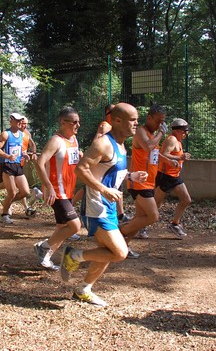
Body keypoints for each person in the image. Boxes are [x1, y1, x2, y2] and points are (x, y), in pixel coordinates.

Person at [60, 103, 147, 307]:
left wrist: (131, 176)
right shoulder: (103, 144)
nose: (136, 123)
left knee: (106, 253)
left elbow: (108, 171)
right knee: (119, 252)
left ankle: (83, 289)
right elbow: (81, 170)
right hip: (96, 207)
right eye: (132, 119)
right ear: (117, 121)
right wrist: (104, 190)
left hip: (106, 207)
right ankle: (73, 255)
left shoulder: (121, 144)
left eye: (137, 119)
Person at [33, 107, 82, 271]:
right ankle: (43, 246)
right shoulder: (56, 140)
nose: (78, 125)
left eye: (78, 121)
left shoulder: (74, 139)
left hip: (68, 190)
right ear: (63, 122)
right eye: (74, 122)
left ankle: (44, 257)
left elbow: (71, 160)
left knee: (62, 228)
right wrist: (48, 187)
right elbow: (40, 163)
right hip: (56, 191)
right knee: (75, 226)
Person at [120, 104, 168, 257]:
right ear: (149, 118)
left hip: (148, 182)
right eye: (158, 121)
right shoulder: (141, 132)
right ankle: (119, 232)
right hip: (138, 182)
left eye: (163, 122)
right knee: (153, 216)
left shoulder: (153, 135)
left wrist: (169, 160)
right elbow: (147, 147)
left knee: (140, 218)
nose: (161, 125)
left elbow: (153, 153)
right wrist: (161, 133)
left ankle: (123, 247)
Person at [0, 116, 38, 216]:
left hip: (18, 165)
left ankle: (6, 202)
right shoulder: (6, 134)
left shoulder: (22, 134)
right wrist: (7, 156)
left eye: (21, 121)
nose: (20, 123)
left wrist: (24, 154)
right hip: (7, 165)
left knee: (25, 192)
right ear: (11, 122)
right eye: (18, 121)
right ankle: (5, 214)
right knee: (12, 192)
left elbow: (20, 148)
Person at [154, 118, 192, 239]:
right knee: (156, 204)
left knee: (186, 200)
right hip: (166, 176)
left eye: (187, 131)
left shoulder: (178, 141)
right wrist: (180, 157)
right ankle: (140, 225)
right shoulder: (172, 139)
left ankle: (174, 224)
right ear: (177, 130)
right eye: (184, 131)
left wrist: (180, 157)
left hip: (174, 177)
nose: (186, 133)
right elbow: (163, 154)